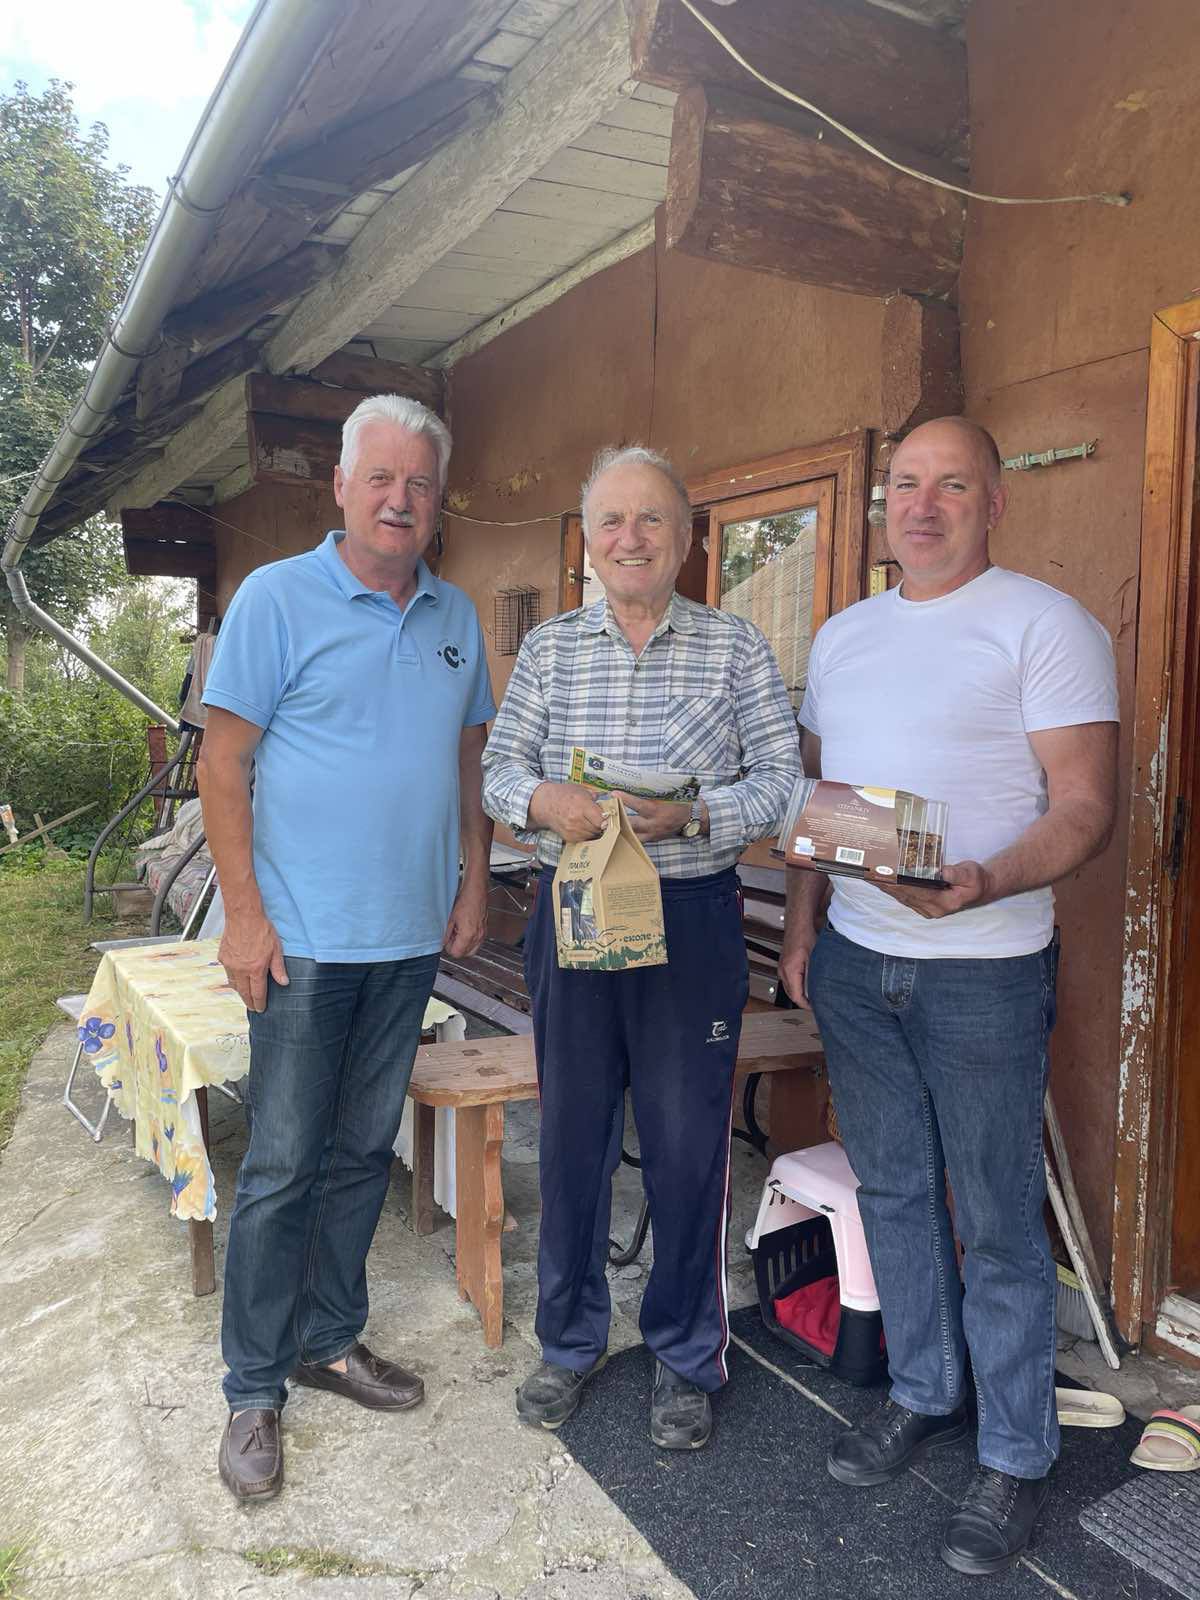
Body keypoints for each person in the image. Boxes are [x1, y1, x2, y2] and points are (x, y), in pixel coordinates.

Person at [778, 416, 1118, 1576]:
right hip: (856, 963)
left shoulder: (1045, 624)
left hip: (987, 970)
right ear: (886, 501)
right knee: (894, 1187)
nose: (923, 506)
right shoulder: (843, 636)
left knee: (999, 1212)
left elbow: (1085, 805)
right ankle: (923, 1387)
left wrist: (986, 881)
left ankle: (1015, 1450)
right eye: (907, 484)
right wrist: (805, 928)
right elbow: (821, 800)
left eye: (953, 485)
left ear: (995, 501)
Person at [197, 393, 495, 1501]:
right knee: (282, 1163)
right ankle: (252, 1388)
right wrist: (243, 916)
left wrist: (472, 878)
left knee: (365, 1151)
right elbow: (222, 765)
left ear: (439, 499)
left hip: (407, 937)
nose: (399, 500)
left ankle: (328, 1338)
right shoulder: (275, 599)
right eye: (381, 477)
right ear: (340, 484)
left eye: (419, 483)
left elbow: (467, 764)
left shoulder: (457, 615)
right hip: (303, 940)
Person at [482, 445, 800, 1449]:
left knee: (686, 1143)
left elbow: (782, 782)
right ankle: (569, 1342)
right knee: (572, 1137)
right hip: (575, 911)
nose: (631, 538)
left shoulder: (735, 647)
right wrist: (545, 800)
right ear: (588, 540)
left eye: (652, 519)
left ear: (687, 536)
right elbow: (498, 770)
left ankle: (686, 1354)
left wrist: (695, 815)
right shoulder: (550, 650)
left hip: (692, 914)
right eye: (611, 521)